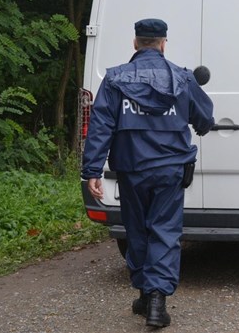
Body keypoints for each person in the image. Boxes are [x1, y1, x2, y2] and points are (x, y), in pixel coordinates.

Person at [81, 18, 215, 328]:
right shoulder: (182, 79)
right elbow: (205, 119)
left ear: (135, 43)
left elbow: (100, 127)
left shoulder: (115, 80)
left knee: (137, 231)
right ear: (163, 44)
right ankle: (156, 303)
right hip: (170, 171)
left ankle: (145, 293)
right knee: (164, 231)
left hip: (131, 170)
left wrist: (92, 171)